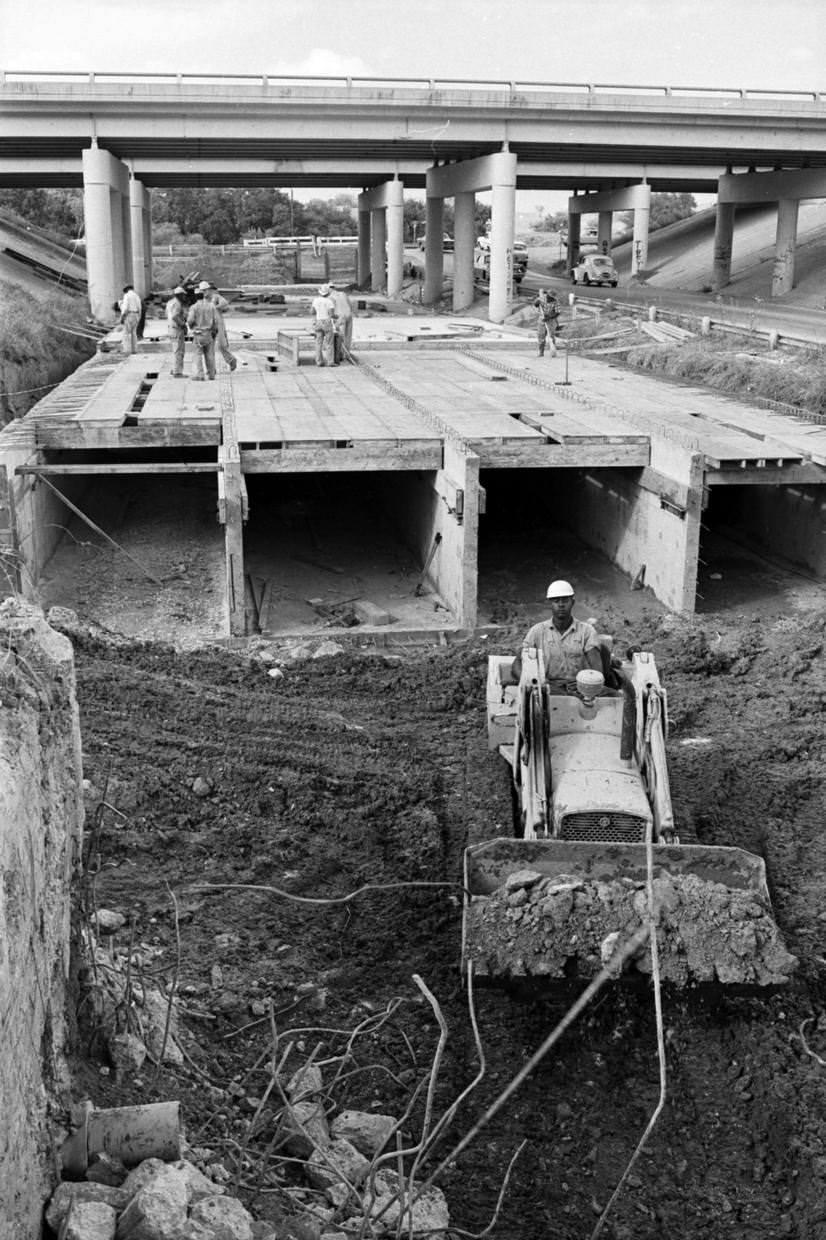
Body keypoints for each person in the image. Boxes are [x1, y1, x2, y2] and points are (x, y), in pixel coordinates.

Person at [513, 580, 604, 695]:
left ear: (572, 602)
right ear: (550, 604)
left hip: (580, 688)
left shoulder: (587, 631)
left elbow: (598, 670)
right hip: (548, 689)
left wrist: (586, 684)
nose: (561, 605)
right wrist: (533, 683)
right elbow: (517, 664)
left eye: (565, 600)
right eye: (556, 601)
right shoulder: (537, 631)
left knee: (617, 697)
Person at [186, 287, 219, 380]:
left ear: (196, 296)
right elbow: (216, 321)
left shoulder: (194, 307)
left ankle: (200, 375)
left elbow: (190, 320)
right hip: (208, 333)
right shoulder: (211, 306)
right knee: (210, 355)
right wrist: (214, 331)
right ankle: (211, 375)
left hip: (198, 334)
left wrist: (191, 327)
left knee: (198, 355)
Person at [205, 283, 237, 371]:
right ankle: (212, 369)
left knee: (221, 345)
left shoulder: (215, 297)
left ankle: (231, 360)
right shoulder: (202, 299)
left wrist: (215, 307)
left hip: (218, 324)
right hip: (208, 326)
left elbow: (224, 303)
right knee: (209, 348)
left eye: (205, 290)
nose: (204, 292)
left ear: (209, 290)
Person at [310, 283, 337, 367]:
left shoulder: (315, 300)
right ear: (328, 293)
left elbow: (312, 312)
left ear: (320, 292)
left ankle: (319, 362)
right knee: (329, 343)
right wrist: (337, 316)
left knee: (318, 343)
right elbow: (331, 315)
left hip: (318, 322)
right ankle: (330, 362)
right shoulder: (329, 302)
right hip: (327, 323)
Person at [165, 286, 188, 377]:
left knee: (175, 350)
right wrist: (183, 324)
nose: (184, 297)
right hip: (177, 329)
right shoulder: (178, 304)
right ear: (180, 295)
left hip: (170, 328)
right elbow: (175, 316)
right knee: (179, 351)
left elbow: (168, 314)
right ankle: (178, 372)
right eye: (183, 295)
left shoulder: (169, 302)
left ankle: (175, 369)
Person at [329, 285, 353, 363]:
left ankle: (341, 355)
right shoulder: (343, 294)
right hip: (348, 314)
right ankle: (347, 353)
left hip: (340, 316)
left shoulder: (330, 297)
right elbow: (350, 304)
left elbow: (330, 310)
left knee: (340, 336)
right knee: (348, 336)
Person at [534, 288, 559, 358]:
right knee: (541, 336)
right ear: (547, 295)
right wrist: (536, 303)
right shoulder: (541, 298)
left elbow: (557, 312)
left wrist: (549, 317)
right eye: (550, 297)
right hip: (541, 319)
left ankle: (553, 351)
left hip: (551, 320)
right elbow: (535, 304)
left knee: (551, 337)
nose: (551, 299)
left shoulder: (555, 301)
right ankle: (541, 352)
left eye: (552, 298)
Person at [119, 284, 143, 355]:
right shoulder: (136, 296)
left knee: (126, 333)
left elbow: (125, 308)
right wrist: (139, 317)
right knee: (134, 333)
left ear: (126, 290)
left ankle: (127, 350)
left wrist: (122, 317)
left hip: (129, 315)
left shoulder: (127, 296)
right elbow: (140, 308)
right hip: (136, 315)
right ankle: (134, 350)